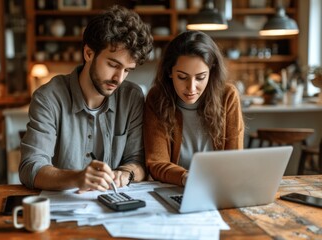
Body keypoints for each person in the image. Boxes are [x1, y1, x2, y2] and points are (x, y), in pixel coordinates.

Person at [19, 5, 153, 192]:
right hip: (63, 210)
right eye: (113, 65)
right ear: (89, 53)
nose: (119, 78)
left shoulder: (132, 97)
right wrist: (77, 178)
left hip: (113, 208)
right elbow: (30, 167)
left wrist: (126, 172)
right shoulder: (48, 97)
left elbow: (138, 162)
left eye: (127, 70)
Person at [144, 30, 244, 186]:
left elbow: (235, 160)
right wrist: (185, 178)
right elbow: (156, 163)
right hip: (175, 187)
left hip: (218, 187)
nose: (191, 88)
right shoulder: (157, 98)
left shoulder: (228, 96)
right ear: (170, 72)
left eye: (200, 77)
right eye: (182, 77)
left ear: (211, 71)